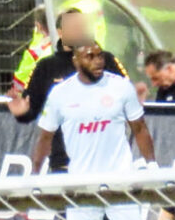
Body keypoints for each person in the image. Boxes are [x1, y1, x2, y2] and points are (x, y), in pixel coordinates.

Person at [32, 42, 156, 220]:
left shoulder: (120, 87)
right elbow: (45, 137)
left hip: (121, 179)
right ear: (76, 61)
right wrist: (35, 174)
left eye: (100, 56)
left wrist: (152, 165)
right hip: (83, 183)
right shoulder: (61, 94)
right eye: (90, 56)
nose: (98, 61)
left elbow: (139, 128)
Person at [9, 10, 126, 171]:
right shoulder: (46, 66)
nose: (80, 31)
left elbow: (126, 96)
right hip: (64, 160)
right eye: (74, 27)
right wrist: (21, 112)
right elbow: (32, 109)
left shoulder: (106, 60)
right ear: (60, 33)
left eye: (82, 26)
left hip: (107, 159)